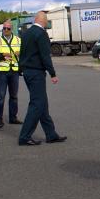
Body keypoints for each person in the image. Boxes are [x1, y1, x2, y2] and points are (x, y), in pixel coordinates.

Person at [18, 11, 66, 146]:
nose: (46, 23)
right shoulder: (41, 34)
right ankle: (24, 137)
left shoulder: (26, 33)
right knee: (37, 104)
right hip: (36, 73)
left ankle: (51, 134)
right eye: (46, 21)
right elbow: (45, 56)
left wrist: (21, 69)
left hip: (27, 72)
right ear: (43, 21)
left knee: (42, 103)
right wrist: (52, 73)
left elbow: (22, 53)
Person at [0, 20, 21, 127]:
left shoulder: (18, 40)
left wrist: (20, 53)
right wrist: (2, 55)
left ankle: (13, 118)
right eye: (4, 28)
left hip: (15, 71)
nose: (6, 30)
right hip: (3, 71)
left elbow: (25, 53)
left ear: (11, 29)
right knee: (1, 96)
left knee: (14, 96)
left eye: (8, 28)